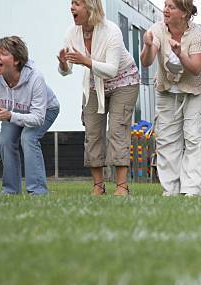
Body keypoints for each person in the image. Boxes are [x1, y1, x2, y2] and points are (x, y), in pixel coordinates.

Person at [58, 0, 140, 196]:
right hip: (95, 84)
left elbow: (111, 70)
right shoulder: (71, 32)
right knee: (92, 131)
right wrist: (62, 64)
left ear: (90, 7)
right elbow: (66, 71)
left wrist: (85, 60)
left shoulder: (112, 30)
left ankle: (121, 186)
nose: (71, 8)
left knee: (117, 131)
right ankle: (98, 186)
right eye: (71, 3)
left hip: (124, 81)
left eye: (76, 3)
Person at [140, 0, 201, 197]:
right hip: (166, 89)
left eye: (171, 6)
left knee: (193, 137)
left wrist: (180, 54)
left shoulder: (199, 34)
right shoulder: (157, 29)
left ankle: (191, 191)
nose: (166, 10)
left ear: (184, 12)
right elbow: (146, 62)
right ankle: (170, 191)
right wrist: (147, 46)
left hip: (196, 89)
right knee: (166, 140)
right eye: (165, 5)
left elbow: (196, 70)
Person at [0, 36, 60, 195]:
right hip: (11, 112)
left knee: (28, 138)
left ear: (17, 60)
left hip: (46, 110)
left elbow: (38, 118)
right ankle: (10, 191)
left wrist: (10, 116)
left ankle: (38, 191)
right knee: (5, 141)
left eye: (3, 53)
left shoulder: (35, 77)